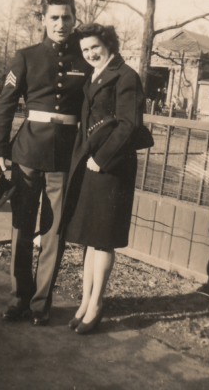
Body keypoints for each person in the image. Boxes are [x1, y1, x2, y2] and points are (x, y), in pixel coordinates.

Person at [0, 0, 92, 326]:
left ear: (75, 20)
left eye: (67, 17)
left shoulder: (85, 61)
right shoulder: (26, 57)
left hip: (66, 156)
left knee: (55, 231)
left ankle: (40, 303)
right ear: (43, 21)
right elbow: (4, 107)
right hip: (28, 152)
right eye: (54, 18)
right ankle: (19, 298)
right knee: (21, 225)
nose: (61, 24)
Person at [58, 23, 146, 334]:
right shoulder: (94, 75)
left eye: (95, 46)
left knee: (103, 238)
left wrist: (101, 158)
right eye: (85, 50)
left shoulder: (126, 76)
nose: (91, 53)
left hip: (112, 167)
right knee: (90, 238)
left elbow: (129, 125)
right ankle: (85, 302)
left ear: (109, 43)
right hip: (91, 164)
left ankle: (96, 303)